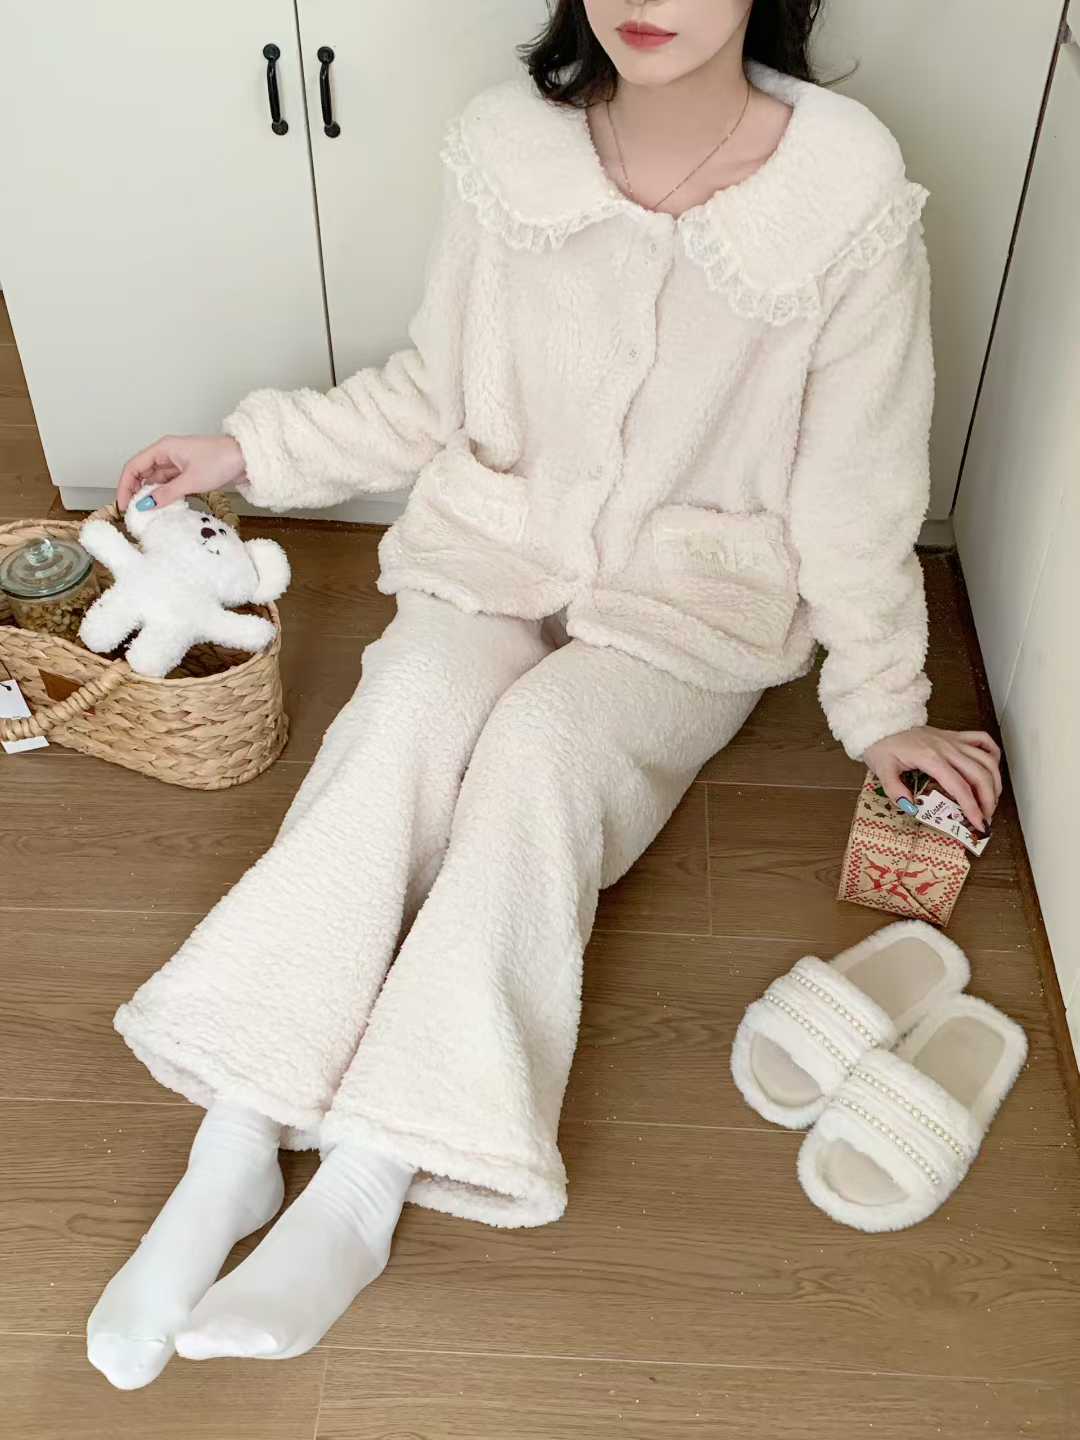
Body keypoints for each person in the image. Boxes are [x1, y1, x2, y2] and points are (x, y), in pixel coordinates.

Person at [87, 0, 1002, 1391]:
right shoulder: (510, 150)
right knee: (405, 711)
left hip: (690, 605)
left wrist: (884, 706)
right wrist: (247, 450)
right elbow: (434, 392)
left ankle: (368, 1180)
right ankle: (239, 1136)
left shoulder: (844, 194)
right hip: (495, 552)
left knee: (540, 754)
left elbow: (857, 488)